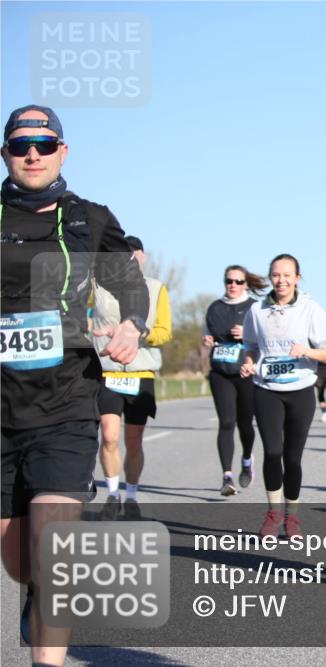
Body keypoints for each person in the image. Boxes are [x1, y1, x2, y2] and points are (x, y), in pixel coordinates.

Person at [1, 104, 148, 666]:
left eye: (43, 143)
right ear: (6, 154)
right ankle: (36, 589)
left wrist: (131, 325)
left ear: (63, 150)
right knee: (20, 559)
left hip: (66, 403)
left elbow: (129, 284)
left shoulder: (88, 217)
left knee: (54, 549)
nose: (32, 153)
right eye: (20, 145)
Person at [240, 254, 326, 538]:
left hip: (301, 392)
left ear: (297, 278)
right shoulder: (257, 310)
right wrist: (247, 361)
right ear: (270, 278)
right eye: (275, 275)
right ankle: (273, 513)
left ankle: (292, 517)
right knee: (272, 452)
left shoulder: (310, 309)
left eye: (286, 275)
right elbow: (249, 346)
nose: (280, 280)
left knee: (292, 459)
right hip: (267, 389)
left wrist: (306, 351)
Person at [92, 235, 172, 520]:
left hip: (140, 370)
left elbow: (164, 330)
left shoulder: (155, 288)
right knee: (110, 437)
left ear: (142, 256)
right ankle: (112, 496)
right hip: (107, 371)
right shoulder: (97, 285)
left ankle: (132, 496)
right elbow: (83, 316)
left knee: (134, 440)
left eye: (134, 254)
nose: (130, 259)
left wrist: (139, 333)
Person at [203, 265, 266, 495]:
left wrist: (248, 333)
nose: (233, 285)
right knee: (226, 422)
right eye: (229, 281)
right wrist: (207, 339)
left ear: (246, 284)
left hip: (246, 373)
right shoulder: (215, 308)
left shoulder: (255, 308)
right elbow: (207, 331)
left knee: (245, 424)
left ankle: (247, 459)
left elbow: (266, 339)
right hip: (220, 372)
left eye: (238, 282)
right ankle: (227, 476)